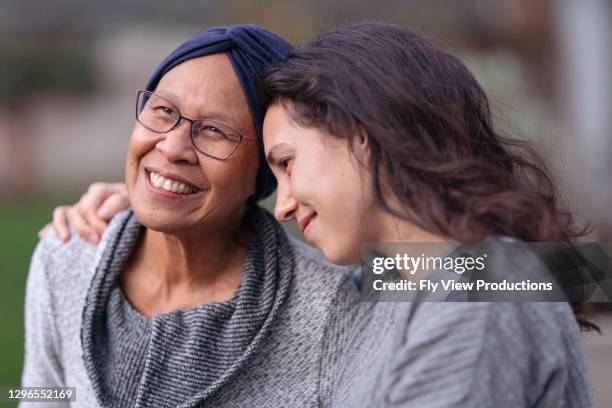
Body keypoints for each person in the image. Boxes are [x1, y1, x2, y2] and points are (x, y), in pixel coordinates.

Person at [41, 23, 596, 407]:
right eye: (163, 113)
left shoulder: (457, 311)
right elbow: (563, 273)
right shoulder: (412, 278)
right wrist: (152, 203)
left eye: (285, 163)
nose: (280, 204)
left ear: (364, 138)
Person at [22, 24, 361, 408]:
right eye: (164, 111)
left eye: (214, 131)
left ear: (263, 169)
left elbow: (440, 279)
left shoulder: (332, 305)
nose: (172, 147)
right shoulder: (65, 257)